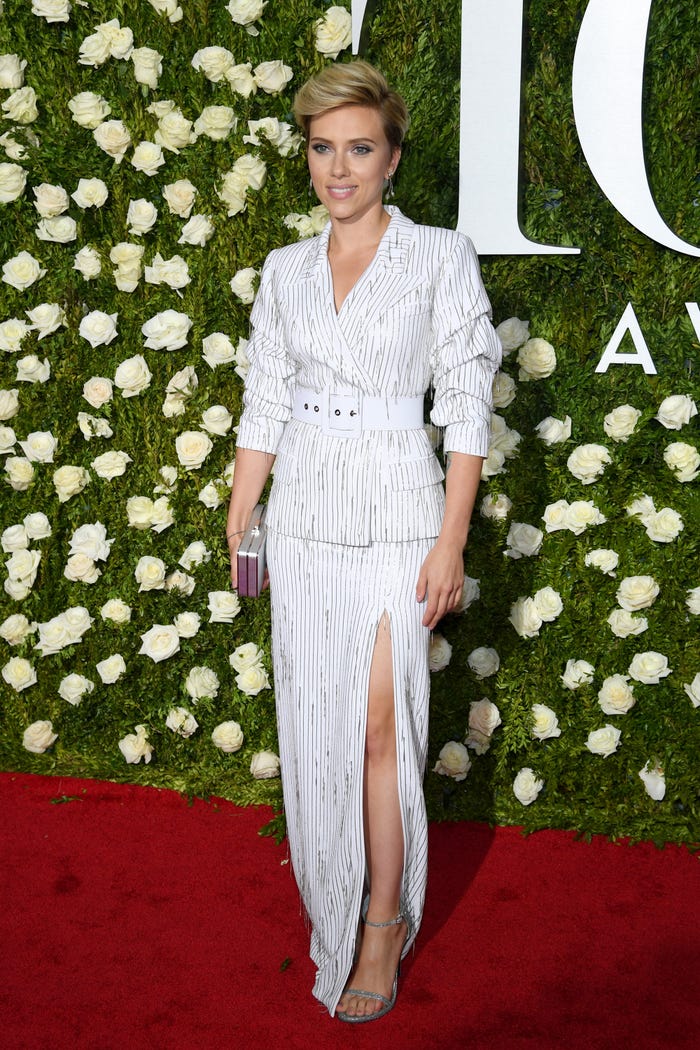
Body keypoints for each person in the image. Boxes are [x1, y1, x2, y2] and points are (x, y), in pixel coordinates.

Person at [226, 60, 501, 1022]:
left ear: (392, 159)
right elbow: (265, 398)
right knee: (316, 734)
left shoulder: (439, 258)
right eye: (321, 149)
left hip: (397, 515)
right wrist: (240, 511)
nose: (338, 168)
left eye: (359, 149)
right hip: (300, 522)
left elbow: (466, 408)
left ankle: (381, 921)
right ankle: (331, 898)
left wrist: (451, 541)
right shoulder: (285, 271)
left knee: (386, 729)